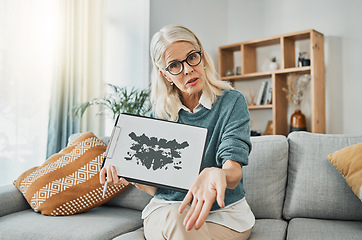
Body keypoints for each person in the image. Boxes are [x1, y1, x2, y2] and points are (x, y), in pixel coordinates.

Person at [100, 25, 255, 240]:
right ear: (165, 75)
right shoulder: (158, 114)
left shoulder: (232, 102)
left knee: (184, 226)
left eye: (192, 57)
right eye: (174, 65)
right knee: (178, 218)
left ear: (202, 57)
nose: (188, 69)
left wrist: (218, 173)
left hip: (225, 217)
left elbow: (234, 173)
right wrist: (131, 176)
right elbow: (158, 189)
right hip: (169, 211)